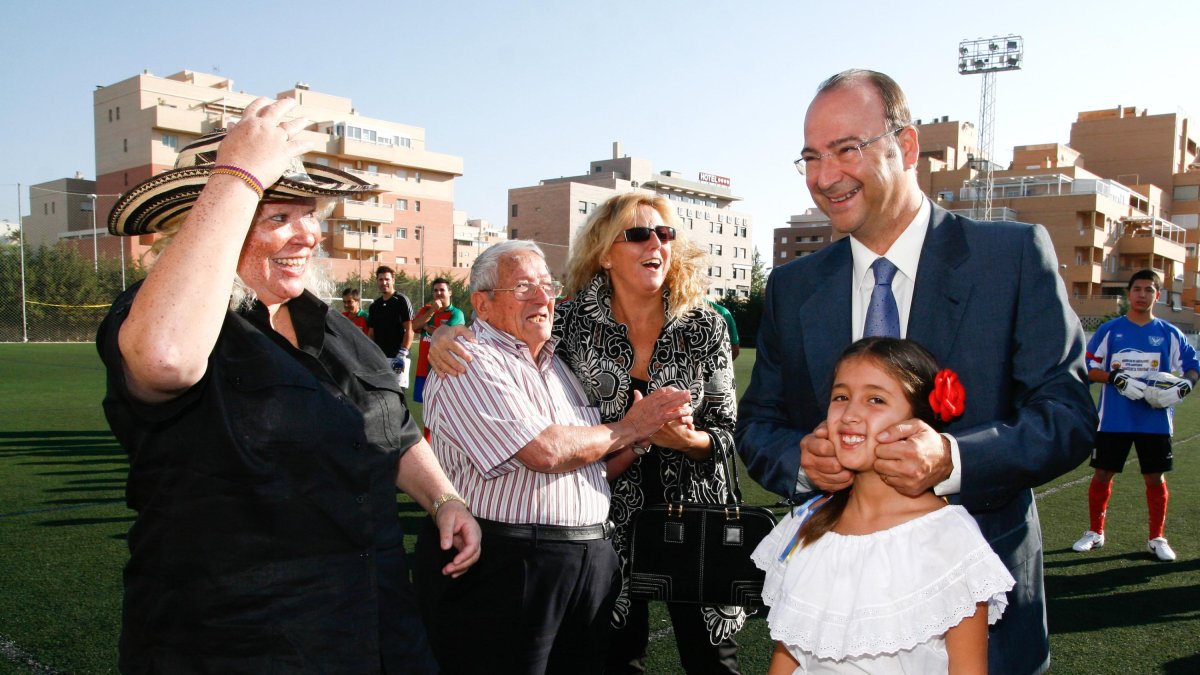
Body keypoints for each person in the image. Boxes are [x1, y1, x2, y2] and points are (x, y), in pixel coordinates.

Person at [96, 99, 480, 673]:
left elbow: (393, 431)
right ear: (207, 222)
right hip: (238, 643)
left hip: (378, 628)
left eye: (309, 214)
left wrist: (445, 499)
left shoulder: (334, 328)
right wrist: (238, 173)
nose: (307, 235)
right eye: (276, 216)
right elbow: (167, 361)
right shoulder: (161, 322)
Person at [735, 69, 1096, 675]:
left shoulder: (1009, 258)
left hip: (984, 616)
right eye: (811, 157)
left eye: (845, 149)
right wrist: (802, 461)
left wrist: (953, 459)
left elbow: (1067, 416)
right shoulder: (793, 287)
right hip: (837, 617)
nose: (824, 177)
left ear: (905, 147)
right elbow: (758, 424)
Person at [429, 192, 745, 674]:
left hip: (696, 515)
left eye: (664, 233)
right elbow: (507, 332)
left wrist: (689, 442)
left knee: (713, 662)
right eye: (638, 234)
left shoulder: (705, 325)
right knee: (616, 659)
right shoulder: (572, 323)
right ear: (604, 252)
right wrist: (442, 335)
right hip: (609, 522)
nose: (656, 243)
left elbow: (725, 432)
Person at [753, 337, 1015, 672]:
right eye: (841, 397)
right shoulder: (809, 522)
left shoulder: (948, 538)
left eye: (875, 399)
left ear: (918, 423)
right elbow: (789, 650)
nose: (850, 414)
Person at [1072, 269, 1199, 562]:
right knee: (1102, 473)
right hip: (1114, 419)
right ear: (1129, 294)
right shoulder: (1110, 330)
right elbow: (1087, 368)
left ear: (1158, 295)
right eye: (1137, 289)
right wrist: (1114, 377)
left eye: (1149, 289)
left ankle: (1156, 538)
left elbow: (1193, 366)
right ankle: (1095, 532)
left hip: (1155, 420)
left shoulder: (1169, 333)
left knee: (1154, 477)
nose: (1142, 294)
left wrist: (1186, 385)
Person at [411, 277, 465, 404]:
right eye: (435, 290)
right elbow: (413, 326)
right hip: (423, 368)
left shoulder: (457, 314)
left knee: (445, 406)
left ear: (450, 292)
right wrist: (432, 311)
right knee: (426, 407)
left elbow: (443, 335)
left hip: (443, 370)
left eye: (442, 290)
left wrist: (425, 327)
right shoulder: (426, 310)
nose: (438, 293)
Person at [368, 264, 415, 388]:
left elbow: (409, 330)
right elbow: (371, 334)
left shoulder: (401, 300)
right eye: (381, 279)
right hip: (379, 359)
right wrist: (370, 353)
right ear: (377, 281)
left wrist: (402, 354)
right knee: (380, 393)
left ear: (393, 280)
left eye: (387, 279)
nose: (384, 282)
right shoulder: (374, 306)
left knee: (398, 394)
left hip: (398, 358)